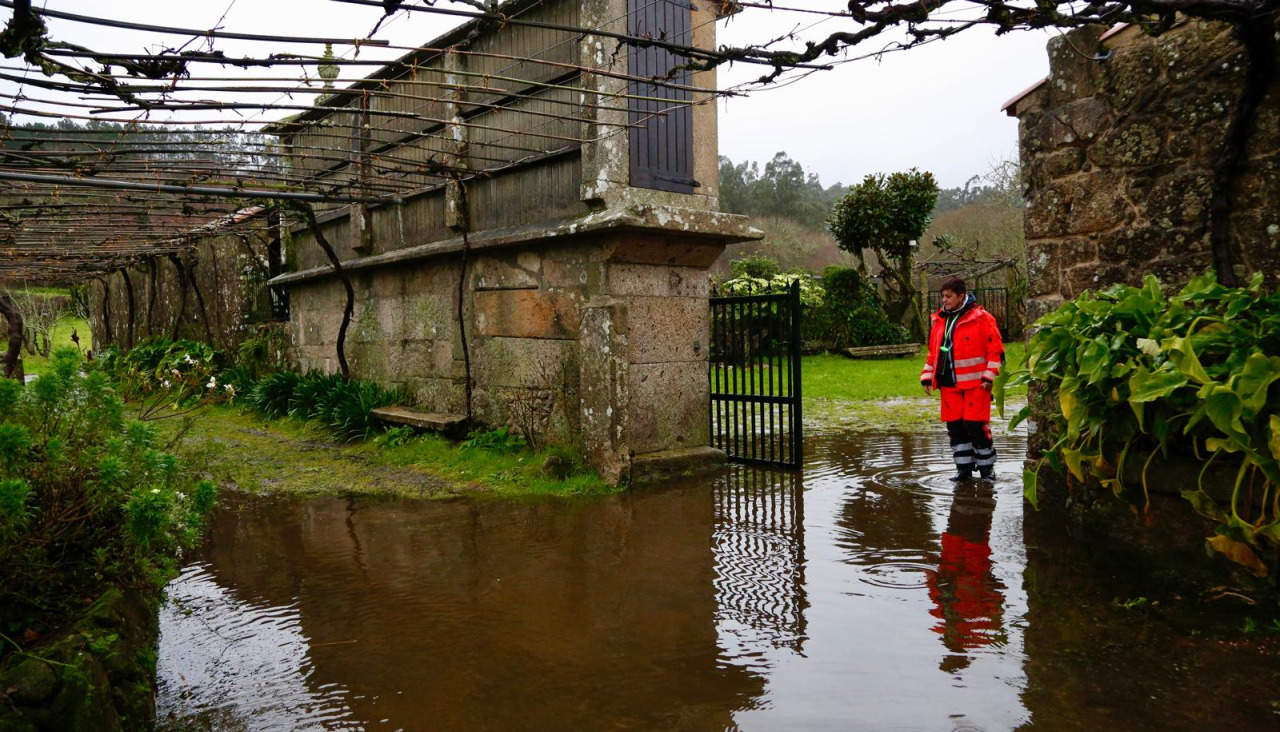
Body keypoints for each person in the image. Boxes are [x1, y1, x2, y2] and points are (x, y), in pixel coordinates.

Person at [921, 278, 1004, 481]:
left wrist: (989, 376)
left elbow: (996, 352)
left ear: (961, 296)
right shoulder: (940, 320)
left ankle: (987, 470)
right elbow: (933, 353)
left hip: (977, 384)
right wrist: (926, 376)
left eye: (948, 296)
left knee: (975, 426)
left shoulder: (982, 318)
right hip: (948, 383)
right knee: (956, 427)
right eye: (943, 296)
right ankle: (963, 469)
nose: (944, 300)